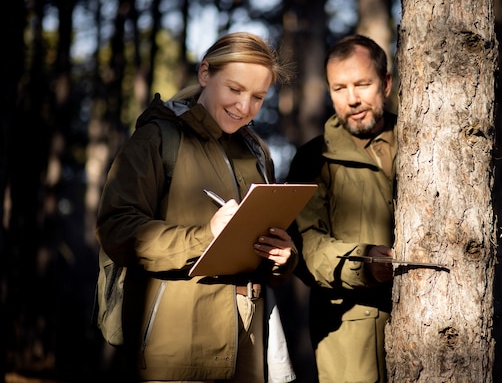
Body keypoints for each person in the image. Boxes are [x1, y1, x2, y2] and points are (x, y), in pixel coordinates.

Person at [96, 32, 296, 383]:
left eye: (258, 97)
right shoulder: (156, 139)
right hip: (175, 348)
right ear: (205, 73)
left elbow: (261, 254)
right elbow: (117, 229)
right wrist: (206, 236)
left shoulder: (258, 154)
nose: (245, 107)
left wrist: (282, 257)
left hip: (248, 348)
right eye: (235, 90)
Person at [287, 34, 396, 383]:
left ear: (387, 84)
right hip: (350, 344)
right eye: (339, 88)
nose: (352, 99)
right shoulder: (311, 159)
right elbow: (304, 246)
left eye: (363, 84)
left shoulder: (427, 140)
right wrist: (364, 264)